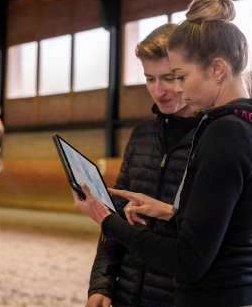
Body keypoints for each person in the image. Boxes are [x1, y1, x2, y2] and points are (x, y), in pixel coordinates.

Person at [74, 0, 252, 307]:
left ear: (217, 70)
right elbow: (230, 226)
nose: (179, 89)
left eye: (181, 77)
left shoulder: (225, 132)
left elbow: (188, 259)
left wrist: (105, 219)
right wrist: (173, 213)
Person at [87, 23, 198, 307]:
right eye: (150, 79)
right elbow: (115, 216)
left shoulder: (212, 138)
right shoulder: (140, 136)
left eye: (170, 78)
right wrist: (102, 282)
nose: (159, 91)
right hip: (126, 294)